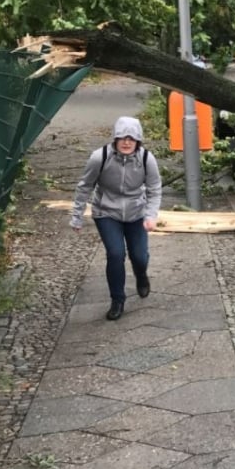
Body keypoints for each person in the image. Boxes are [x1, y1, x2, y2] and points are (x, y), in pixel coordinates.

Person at [70, 116, 162, 320]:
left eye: (132, 138)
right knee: (115, 254)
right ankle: (117, 300)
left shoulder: (147, 159)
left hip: (136, 212)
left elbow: (155, 189)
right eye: (122, 137)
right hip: (106, 211)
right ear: (115, 139)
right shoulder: (99, 157)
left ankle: (141, 275)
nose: (127, 142)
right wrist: (77, 215)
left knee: (139, 256)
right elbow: (85, 186)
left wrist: (150, 215)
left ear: (138, 141)